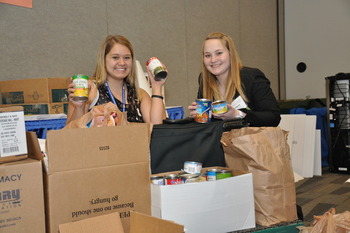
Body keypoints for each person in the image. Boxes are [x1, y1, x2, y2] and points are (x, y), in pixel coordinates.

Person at [66, 34, 167, 125]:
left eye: (127, 58)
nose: (122, 63)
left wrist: (157, 86)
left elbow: (158, 128)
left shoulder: (139, 95)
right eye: (115, 57)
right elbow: (69, 134)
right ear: (104, 60)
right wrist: (79, 107)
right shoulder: (90, 91)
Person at [188, 32, 281, 127]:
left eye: (219, 53)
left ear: (230, 53)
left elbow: (273, 118)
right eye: (208, 55)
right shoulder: (204, 80)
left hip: (250, 140)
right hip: (219, 140)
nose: (213, 60)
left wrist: (238, 114)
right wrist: (200, 116)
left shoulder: (251, 77)